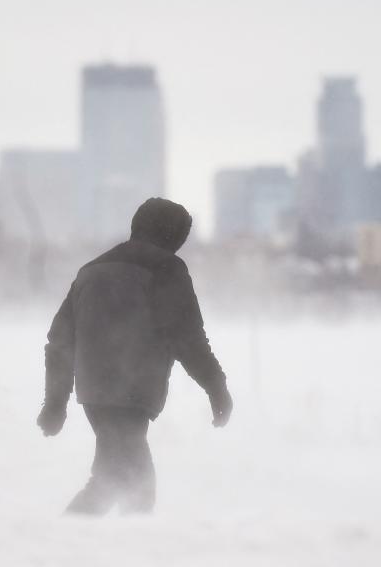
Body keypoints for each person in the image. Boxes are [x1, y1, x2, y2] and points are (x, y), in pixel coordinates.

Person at [36, 197, 233, 515]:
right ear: (173, 235)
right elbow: (188, 338)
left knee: (115, 479)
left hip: (95, 394)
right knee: (134, 486)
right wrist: (217, 388)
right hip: (131, 392)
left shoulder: (91, 270)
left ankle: (83, 545)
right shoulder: (166, 268)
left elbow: (60, 341)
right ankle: (72, 547)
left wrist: (55, 403)